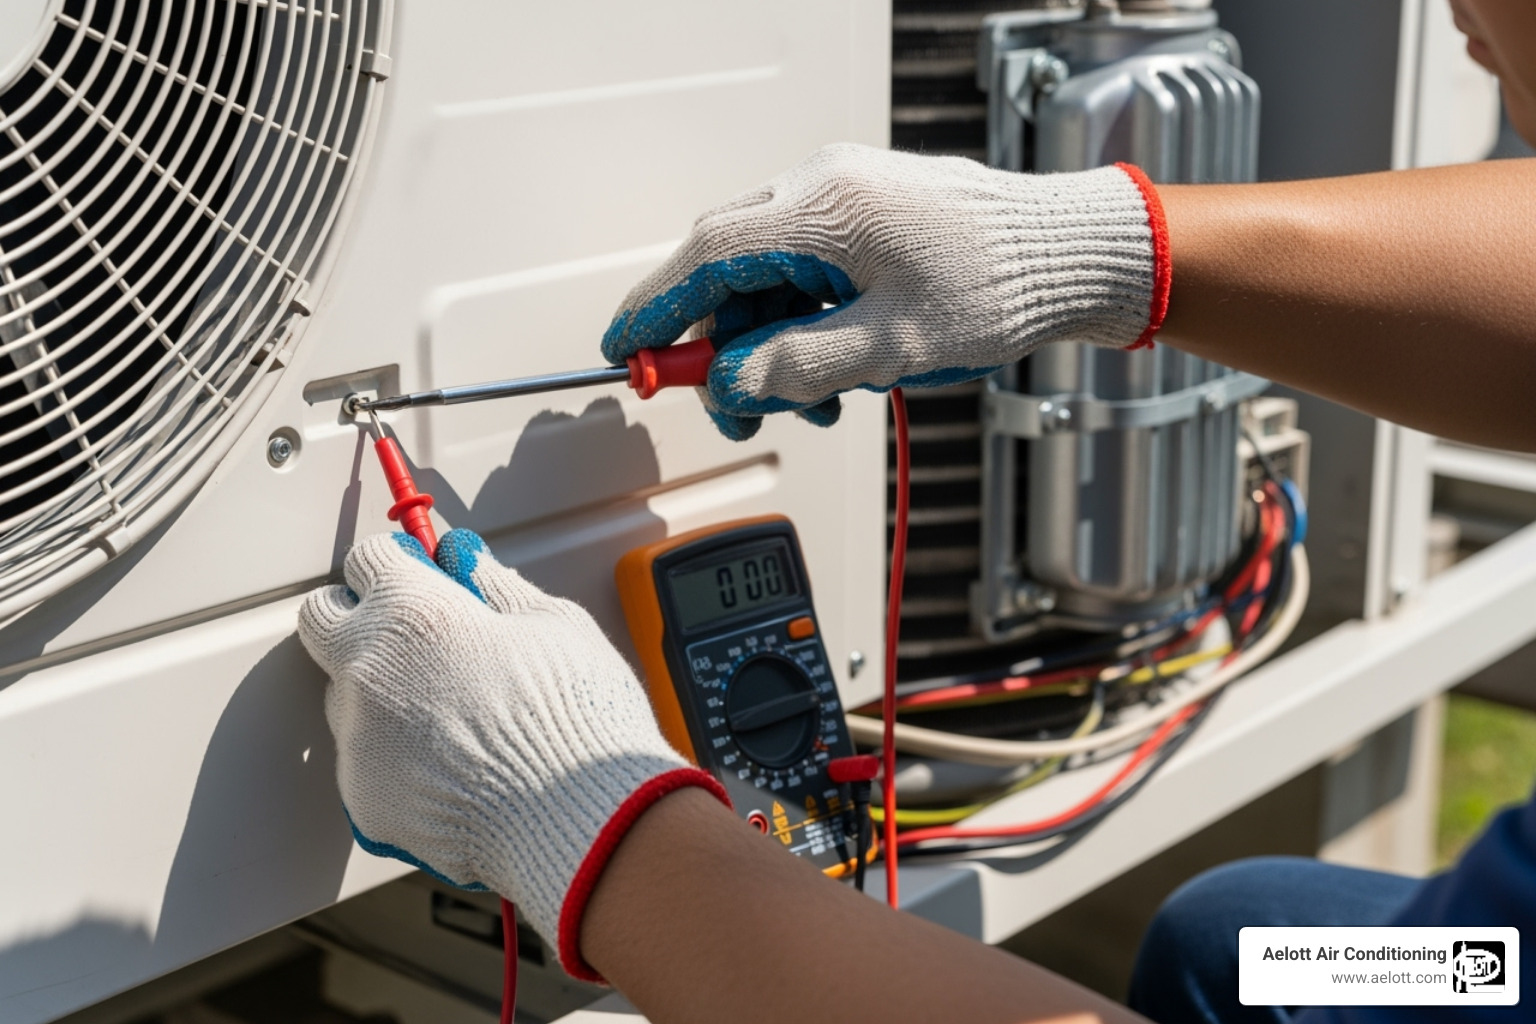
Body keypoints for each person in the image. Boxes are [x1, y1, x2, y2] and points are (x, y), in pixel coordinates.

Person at [297, 1, 1536, 1020]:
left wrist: (590, 827)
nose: (1444, 12)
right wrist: (1100, 247)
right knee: (1242, 945)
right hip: (1501, 966)